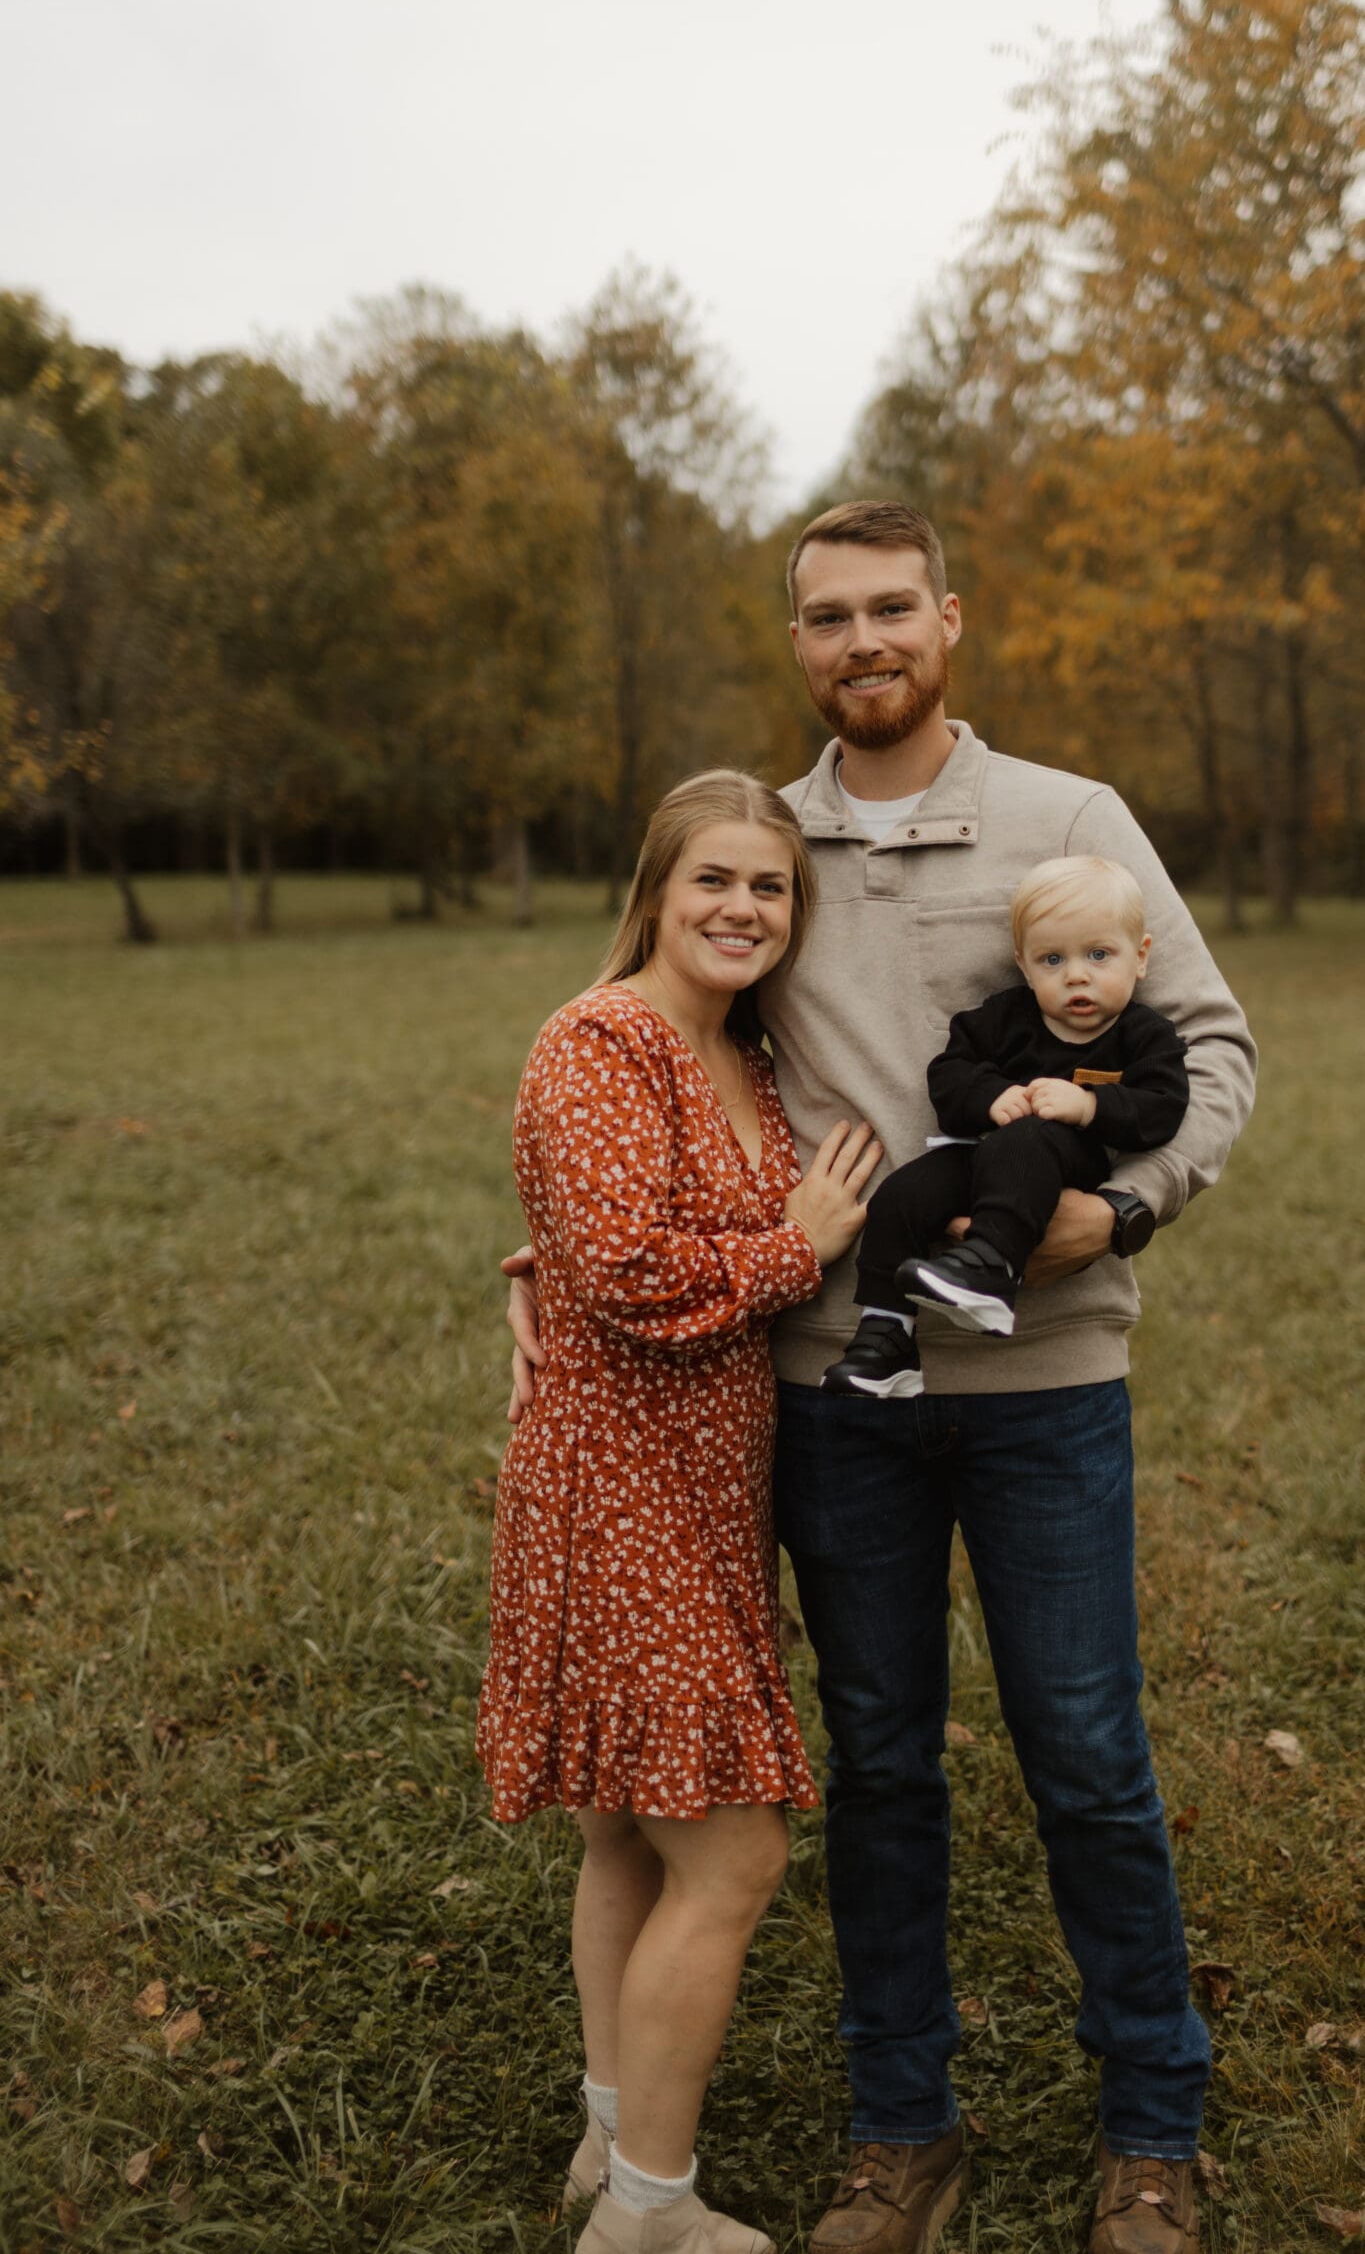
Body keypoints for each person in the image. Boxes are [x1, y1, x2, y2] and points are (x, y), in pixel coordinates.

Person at [505, 503, 1257, 2254]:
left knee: (1082, 1751)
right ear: (797, 645)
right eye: (826, 617)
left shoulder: (1070, 824)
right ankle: (899, 2129)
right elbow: (663, 1069)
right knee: (880, 1763)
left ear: (949, 620)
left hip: (1045, 1380)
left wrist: (1119, 1206)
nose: (863, 643)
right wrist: (549, 1245)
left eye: (890, 610)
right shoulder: (773, 852)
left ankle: (1151, 2128)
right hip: (834, 1385)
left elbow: (1209, 1049)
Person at [478, 769, 881, 2254]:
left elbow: (592, 1233)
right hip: (617, 1486)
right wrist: (799, 1245)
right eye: (713, 880)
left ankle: (609, 2137)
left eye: (768, 888)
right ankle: (650, 2216)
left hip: (703, 1486)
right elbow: (638, 1277)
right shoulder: (603, 1038)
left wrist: (527, 1270)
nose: (741, 908)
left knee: (630, 1843)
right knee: (733, 1854)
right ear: (654, 890)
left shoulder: (738, 1050)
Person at [823, 854, 1189, 1397]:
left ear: (1140, 958)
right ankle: (886, 1336)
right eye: (1052, 960)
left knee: (1028, 1141)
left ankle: (991, 1268)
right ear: (1023, 965)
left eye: (1098, 954)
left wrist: (1090, 1106)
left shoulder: (1143, 1034)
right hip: (982, 1151)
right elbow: (949, 1073)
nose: (1077, 975)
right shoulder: (1004, 1017)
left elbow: (1163, 1107)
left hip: (1067, 1165)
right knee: (903, 1194)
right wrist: (990, 1097)